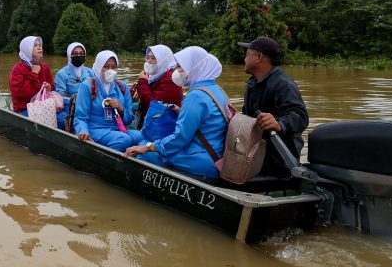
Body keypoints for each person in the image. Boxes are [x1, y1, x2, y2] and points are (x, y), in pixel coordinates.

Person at [125, 46, 229, 179]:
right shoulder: (217, 90)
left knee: (142, 145)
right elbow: (208, 122)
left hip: (202, 160)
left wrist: (147, 147)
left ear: (194, 68)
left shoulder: (196, 96)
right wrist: (181, 112)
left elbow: (180, 138)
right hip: (217, 156)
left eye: (180, 67)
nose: (177, 71)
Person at [238, 36, 309, 177]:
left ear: (258, 57)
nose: (244, 59)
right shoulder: (254, 84)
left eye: (247, 54)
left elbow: (300, 116)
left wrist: (279, 124)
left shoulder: (283, 84)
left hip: (278, 161)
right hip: (257, 157)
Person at [74, 51, 143, 151]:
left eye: (114, 67)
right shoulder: (87, 86)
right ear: (98, 67)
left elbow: (129, 119)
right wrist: (83, 131)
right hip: (95, 129)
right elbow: (80, 117)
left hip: (117, 128)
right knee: (123, 139)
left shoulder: (122, 87)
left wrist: (120, 108)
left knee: (140, 136)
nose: (110, 70)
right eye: (106, 66)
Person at [133, 44, 184, 128]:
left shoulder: (170, 80)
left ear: (163, 60)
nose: (149, 61)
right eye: (148, 57)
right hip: (152, 122)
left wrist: (142, 82)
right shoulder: (154, 75)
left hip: (162, 127)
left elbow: (152, 105)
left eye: (153, 58)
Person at [9, 35, 55, 116]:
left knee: (63, 117)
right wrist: (34, 74)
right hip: (24, 108)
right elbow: (20, 95)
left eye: (40, 45)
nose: (39, 48)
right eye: (35, 45)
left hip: (45, 105)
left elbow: (52, 88)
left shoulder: (45, 67)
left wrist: (49, 88)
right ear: (27, 49)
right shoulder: (17, 69)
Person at [53, 42, 89, 129]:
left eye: (81, 53)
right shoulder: (61, 74)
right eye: (75, 54)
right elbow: (60, 96)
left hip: (88, 106)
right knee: (63, 119)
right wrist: (77, 100)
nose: (79, 56)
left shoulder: (90, 72)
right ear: (69, 55)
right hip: (69, 108)